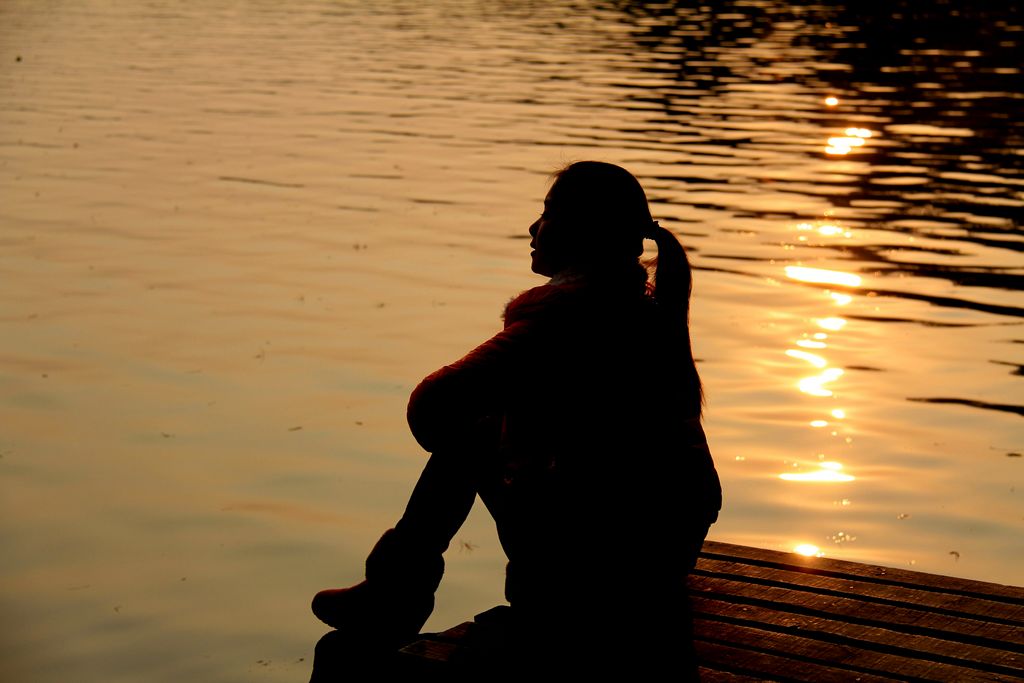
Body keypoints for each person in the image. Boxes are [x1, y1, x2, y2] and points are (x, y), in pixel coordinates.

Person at [311, 161, 721, 677]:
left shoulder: (566, 319)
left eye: (547, 214)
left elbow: (430, 410)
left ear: (582, 233)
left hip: (598, 569)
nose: (533, 229)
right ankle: (393, 591)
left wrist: (504, 426)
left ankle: (393, 594)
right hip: (660, 555)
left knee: (469, 434)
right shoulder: (643, 312)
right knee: (489, 428)